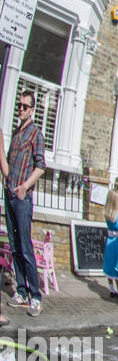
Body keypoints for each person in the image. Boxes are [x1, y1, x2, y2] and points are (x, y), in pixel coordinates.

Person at [5, 90, 45, 317]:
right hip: (9, 194)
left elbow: (41, 166)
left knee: (25, 246)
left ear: (32, 109)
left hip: (22, 198)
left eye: (25, 106)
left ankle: (36, 296)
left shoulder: (36, 133)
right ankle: (21, 291)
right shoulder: (16, 133)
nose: (20, 109)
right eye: (19, 105)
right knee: (14, 245)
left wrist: (24, 186)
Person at [102, 188, 118, 300]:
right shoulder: (117, 215)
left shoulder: (107, 213)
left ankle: (111, 289)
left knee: (109, 265)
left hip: (109, 241)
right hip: (117, 243)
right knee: (117, 267)